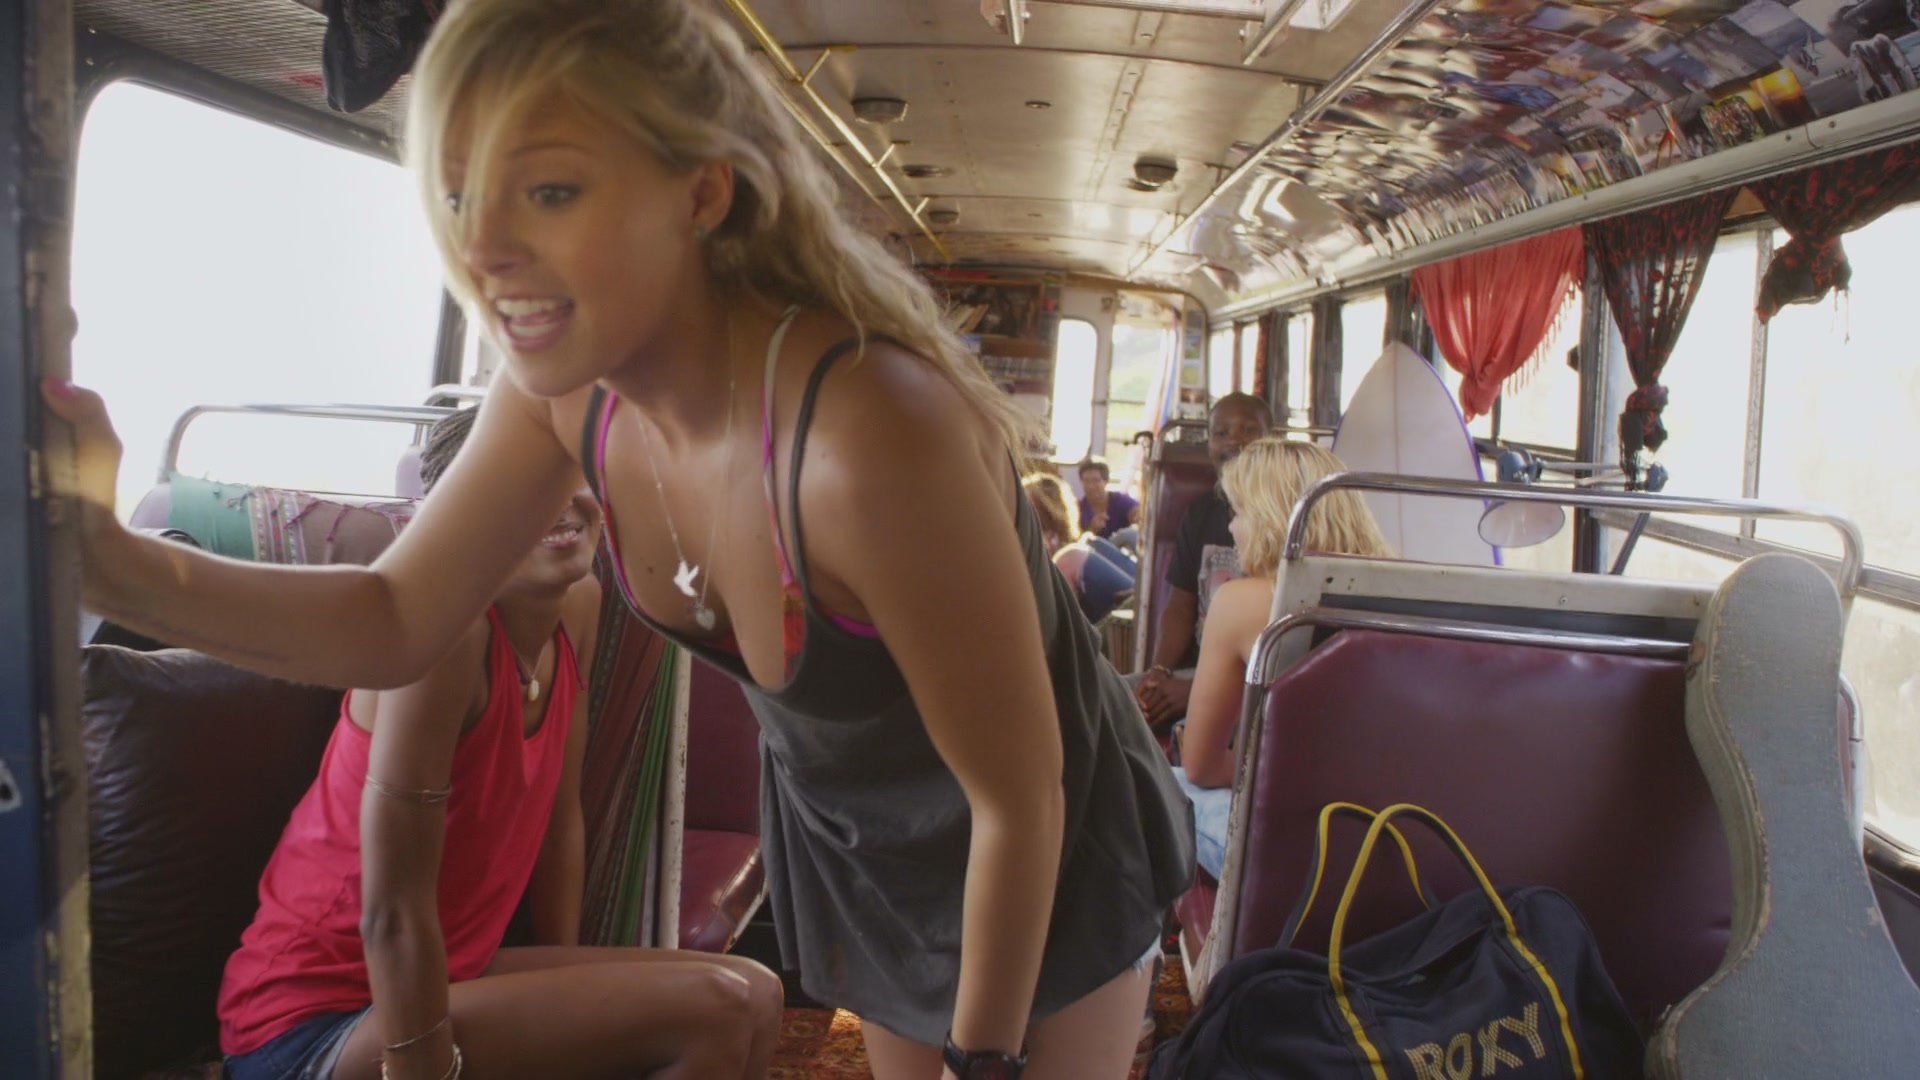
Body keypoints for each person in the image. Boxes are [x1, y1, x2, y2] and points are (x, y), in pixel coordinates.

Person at [43, 3, 1193, 1078]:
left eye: (549, 191)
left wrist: (981, 1062)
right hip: (858, 846)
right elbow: (393, 618)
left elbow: (1020, 796)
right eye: (458, 197)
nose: (484, 249)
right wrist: (114, 564)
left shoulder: (869, 440)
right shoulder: (565, 393)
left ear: (701, 192)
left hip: (1041, 844)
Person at [218, 408, 785, 1080]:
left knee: (758, 992)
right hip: (316, 1021)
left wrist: (577, 1015)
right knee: (718, 1008)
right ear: (457, 518)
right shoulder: (443, 638)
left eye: (569, 472)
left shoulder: (579, 606)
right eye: (519, 485)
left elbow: (560, 820)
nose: (558, 500)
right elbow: (391, 908)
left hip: (455, 975)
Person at [1169, 438, 1392, 878]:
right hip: (1387, 834)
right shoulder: (1397, 595)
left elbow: (1201, 765)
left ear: (1268, 519)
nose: (1231, 527)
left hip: (1291, 852)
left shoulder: (1240, 602)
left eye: (1238, 512)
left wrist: (1275, 770)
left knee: (1148, 783)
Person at [1135, 393, 1272, 731]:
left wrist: (1196, 690)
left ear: (1272, 440)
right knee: (1109, 700)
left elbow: (1278, 657)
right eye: (1221, 433)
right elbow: (1180, 603)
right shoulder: (1200, 513)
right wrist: (1159, 673)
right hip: (1196, 669)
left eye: (1247, 430)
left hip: (1255, 683)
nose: (1233, 441)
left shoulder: (1285, 517)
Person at [1023, 473, 1137, 623]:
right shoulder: (1071, 546)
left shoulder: (1066, 555)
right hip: (1128, 609)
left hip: (1121, 616)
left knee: (1076, 554)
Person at [1074, 457, 1140, 545]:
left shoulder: (1120, 500)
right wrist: (1091, 529)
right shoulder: (1077, 509)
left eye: (1095, 481)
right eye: (1086, 481)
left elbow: (1138, 513)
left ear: (1106, 481)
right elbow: (1074, 541)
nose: (1090, 486)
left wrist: (1136, 517)